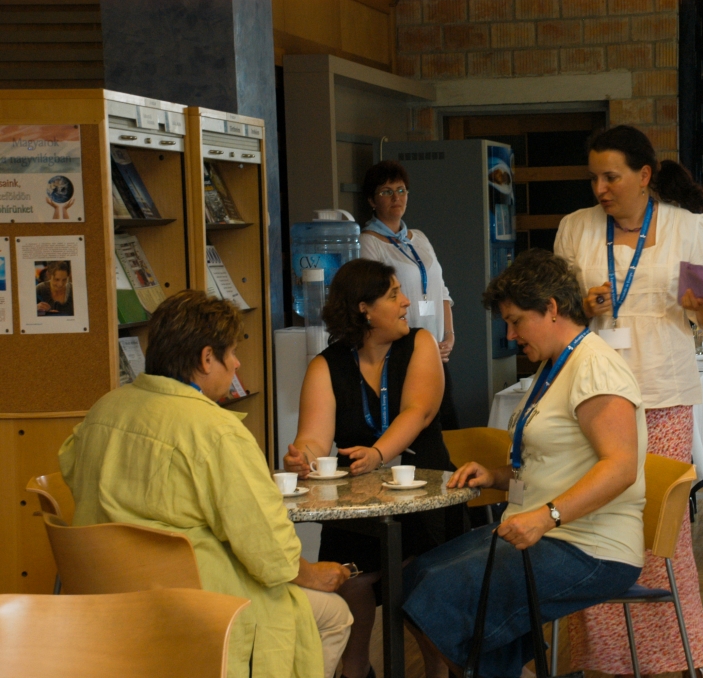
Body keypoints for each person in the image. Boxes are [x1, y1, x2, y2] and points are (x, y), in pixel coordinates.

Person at [58, 291, 353, 678]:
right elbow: (268, 550)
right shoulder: (215, 431)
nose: (237, 363)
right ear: (207, 358)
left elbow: (71, 473)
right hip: (197, 607)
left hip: (108, 599)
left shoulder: (104, 409)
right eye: (232, 352)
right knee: (335, 615)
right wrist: (314, 574)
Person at [403, 248, 646, 678]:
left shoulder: (594, 367)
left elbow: (621, 467)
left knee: (439, 594)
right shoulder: (554, 366)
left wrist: (546, 516)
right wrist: (496, 477)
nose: (511, 334)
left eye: (516, 321)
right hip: (542, 531)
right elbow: (549, 460)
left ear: (551, 308)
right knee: (415, 578)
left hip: (590, 546)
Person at [553, 125, 703, 674]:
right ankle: (601, 656)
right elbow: (554, 315)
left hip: (663, 392)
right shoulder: (576, 227)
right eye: (594, 178)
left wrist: (702, 304)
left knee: (657, 528)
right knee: (595, 521)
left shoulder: (686, 226)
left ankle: (671, 654)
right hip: (594, 395)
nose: (600, 189)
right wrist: (583, 305)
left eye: (611, 177)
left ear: (644, 175)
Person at [283, 257, 456, 678]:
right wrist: (302, 458)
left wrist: (378, 454)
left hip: (426, 495)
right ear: (365, 308)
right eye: (394, 295)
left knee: (416, 579)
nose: (406, 302)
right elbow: (314, 438)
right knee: (350, 578)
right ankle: (356, 668)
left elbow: (418, 412)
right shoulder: (326, 365)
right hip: (357, 504)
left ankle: (438, 668)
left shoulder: (420, 344)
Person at [359, 160, 459, 429]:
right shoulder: (368, 242)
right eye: (386, 192)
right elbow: (376, 301)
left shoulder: (420, 238)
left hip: (436, 351)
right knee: (418, 427)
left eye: (401, 190)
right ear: (371, 200)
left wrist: (449, 335)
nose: (396, 198)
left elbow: (441, 290)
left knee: (448, 426)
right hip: (402, 353)